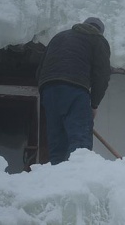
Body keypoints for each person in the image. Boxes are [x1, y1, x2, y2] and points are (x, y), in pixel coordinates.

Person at [37, 17, 111, 164]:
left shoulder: (59, 37)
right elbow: (101, 74)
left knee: (57, 143)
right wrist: (94, 105)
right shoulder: (97, 39)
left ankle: (57, 176)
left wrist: (48, 92)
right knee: (80, 139)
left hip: (48, 90)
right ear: (100, 31)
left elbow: (40, 70)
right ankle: (78, 175)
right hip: (74, 88)